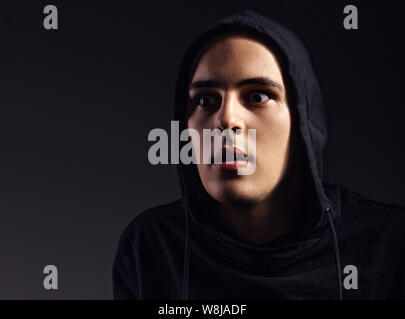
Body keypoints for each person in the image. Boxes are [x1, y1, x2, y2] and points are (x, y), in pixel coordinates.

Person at [112, 9, 405, 300]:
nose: (226, 120)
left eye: (257, 96)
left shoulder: (388, 246)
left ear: (303, 120)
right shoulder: (151, 246)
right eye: (205, 100)